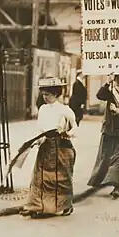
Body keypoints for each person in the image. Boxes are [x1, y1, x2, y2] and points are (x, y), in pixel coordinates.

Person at [18, 77, 78, 218]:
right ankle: (36, 205)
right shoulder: (43, 109)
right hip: (46, 147)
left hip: (61, 148)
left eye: (48, 94)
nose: (45, 97)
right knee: (41, 177)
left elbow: (75, 128)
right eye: (43, 94)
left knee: (61, 178)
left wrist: (67, 133)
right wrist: (38, 139)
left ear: (56, 94)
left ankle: (65, 205)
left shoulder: (65, 110)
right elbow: (40, 128)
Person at [87, 73, 119, 199]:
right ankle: (98, 181)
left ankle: (116, 186)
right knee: (105, 156)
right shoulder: (109, 91)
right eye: (118, 77)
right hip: (109, 128)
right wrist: (107, 82)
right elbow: (99, 95)